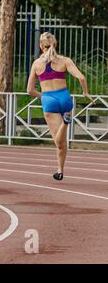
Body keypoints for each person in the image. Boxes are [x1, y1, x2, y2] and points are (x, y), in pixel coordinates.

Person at [27, 32, 93, 181]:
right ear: (55, 45)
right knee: (63, 142)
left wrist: (43, 96)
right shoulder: (65, 61)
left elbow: (29, 90)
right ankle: (59, 170)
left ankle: (65, 123)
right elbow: (81, 77)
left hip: (49, 99)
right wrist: (86, 92)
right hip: (65, 98)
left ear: (40, 46)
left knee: (58, 142)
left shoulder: (37, 64)